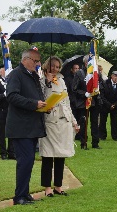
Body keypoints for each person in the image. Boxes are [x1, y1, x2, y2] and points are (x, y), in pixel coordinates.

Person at [5, 49, 48, 205]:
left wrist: (44, 106)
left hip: (31, 125)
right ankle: (19, 197)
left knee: (29, 161)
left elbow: (36, 96)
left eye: (39, 61)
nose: (38, 64)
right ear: (26, 59)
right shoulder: (16, 74)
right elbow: (11, 96)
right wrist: (34, 104)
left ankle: (25, 193)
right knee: (25, 161)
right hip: (20, 127)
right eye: (36, 61)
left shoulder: (33, 75)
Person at [39, 56, 79, 197]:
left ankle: (58, 186)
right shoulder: (40, 78)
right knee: (48, 155)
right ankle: (47, 188)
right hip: (50, 122)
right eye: (52, 66)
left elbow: (66, 102)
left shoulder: (61, 80)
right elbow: (38, 96)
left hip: (63, 122)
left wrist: (74, 121)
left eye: (57, 67)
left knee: (61, 155)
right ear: (46, 66)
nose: (55, 69)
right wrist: (46, 82)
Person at [72, 54, 102, 149]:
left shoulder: (96, 73)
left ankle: (95, 143)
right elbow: (74, 88)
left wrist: (97, 89)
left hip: (95, 101)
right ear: (85, 63)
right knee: (83, 123)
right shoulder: (79, 73)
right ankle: (83, 143)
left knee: (95, 123)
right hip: (83, 102)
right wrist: (84, 93)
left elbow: (101, 84)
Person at [0, 66, 15, 160]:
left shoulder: (12, 82)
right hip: (2, 111)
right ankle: (3, 153)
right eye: (4, 71)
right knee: (2, 133)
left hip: (12, 111)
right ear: (0, 72)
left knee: (12, 133)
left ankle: (11, 152)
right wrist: (3, 95)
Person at [99, 71, 117, 141]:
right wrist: (109, 105)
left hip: (115, 105)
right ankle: (102, 136)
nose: (116, 78)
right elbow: (102, 96)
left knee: (115, 121)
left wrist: (115, 105)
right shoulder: (104, 83)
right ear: (111, 76)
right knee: (103, 121)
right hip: (105, 105)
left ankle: (115, 136)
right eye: (115, 76)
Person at [64, 63, 80, 140]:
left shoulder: (80, 78)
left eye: (78, 68)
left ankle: (78, 134)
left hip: (79, 101)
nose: (77, 70)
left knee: (78, 118)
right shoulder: (68, 79)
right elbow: (67, 91)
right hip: (71, 101)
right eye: (75, 68)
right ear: (72, 69)